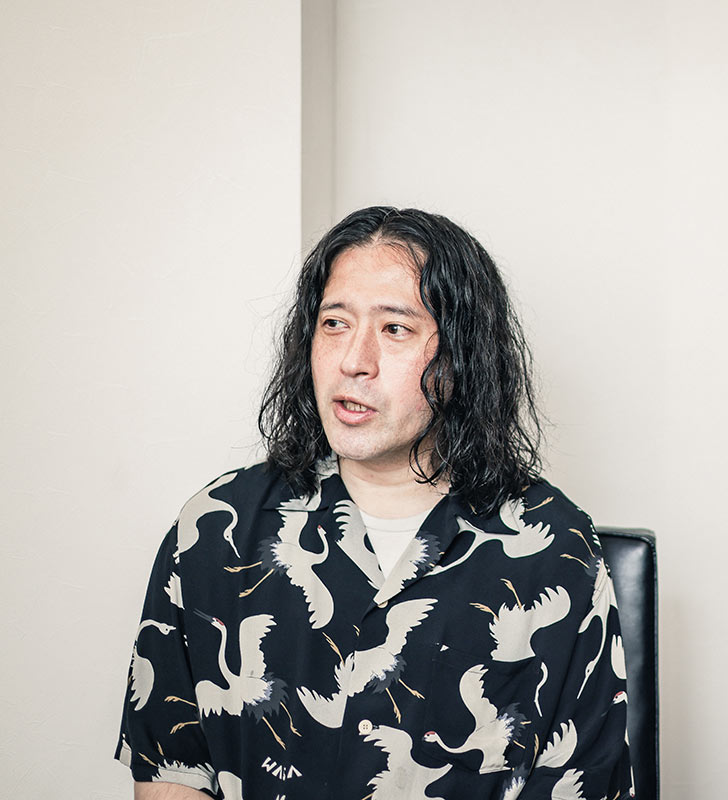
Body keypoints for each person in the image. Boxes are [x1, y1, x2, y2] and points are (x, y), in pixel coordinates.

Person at [116, 207, 632, 800]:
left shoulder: (556, 547)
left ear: (462, 356)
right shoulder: (214, 528)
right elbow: (170, 770)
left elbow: (583, 780)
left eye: (395, 329)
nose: (353, 360)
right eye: (334, 323)